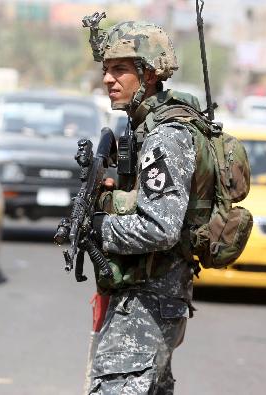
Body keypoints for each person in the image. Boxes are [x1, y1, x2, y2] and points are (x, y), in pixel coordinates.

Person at [84, 19, 216, 394]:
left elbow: (160, 227)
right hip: (147, 296)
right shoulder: (146, 128)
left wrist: (98, 227)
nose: (109, 79)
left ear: (150, 74)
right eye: (106, 70)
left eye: (121, 69)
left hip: (149, 299)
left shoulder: (166, 137)